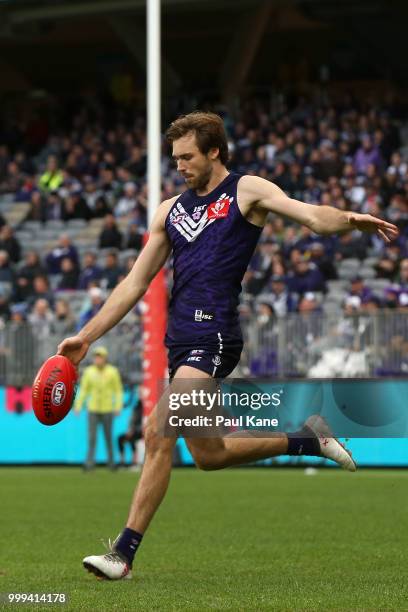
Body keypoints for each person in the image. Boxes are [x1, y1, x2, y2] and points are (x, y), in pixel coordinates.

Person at [57, 111, 398, 580]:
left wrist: (347, 220)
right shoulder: (168, 212)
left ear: (214, 150)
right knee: (209, 455)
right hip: (179, 341)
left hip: (214, 334)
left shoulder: (246, 190)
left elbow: (310, 216)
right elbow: (136, 282)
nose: (179, 165)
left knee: (158, 433)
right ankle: (308, 439)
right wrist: (85, 336)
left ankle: (123, 553)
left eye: (188, 156)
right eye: (175, 158)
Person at [73, 346, 123, 471]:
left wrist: (117, 406)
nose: (98, 359)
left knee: (108, 437)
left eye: (100, 357)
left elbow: (118, 391)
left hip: (107, 408)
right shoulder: (89, 372)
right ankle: (89, 464)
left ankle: (112, 464)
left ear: (105, 358)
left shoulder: (113, 371)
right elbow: (84, 389)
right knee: (92, 438)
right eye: (96, 357)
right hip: (93, 408)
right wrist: (78, 405)